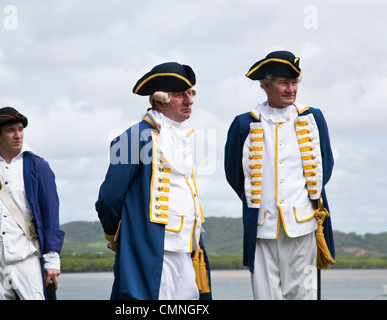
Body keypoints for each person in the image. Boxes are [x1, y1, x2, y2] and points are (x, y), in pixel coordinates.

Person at [96, 62, 212, 300]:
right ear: (160, 100)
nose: (189, 101)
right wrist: (116, 235)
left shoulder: (183, 137)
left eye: (190, 94)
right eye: (180, 96)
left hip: (187, 248)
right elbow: (109, 199)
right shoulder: (131, 139)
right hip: (152, 248)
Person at [224, 51, 335, 299]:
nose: (291, 89)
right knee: (265, 295)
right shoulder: (244, 124)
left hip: (303, 224)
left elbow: (324, 166)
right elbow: (234, 174)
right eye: (283, 83)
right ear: (265, 84)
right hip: (263, 225)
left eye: (295, 83)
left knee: (303, 293)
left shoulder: (312, 117)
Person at [0, 107, 65, 300]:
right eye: (11, 130)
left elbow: (50, 215)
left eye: (20, 129)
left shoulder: (39, 167)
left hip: (26, 258)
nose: (17, 135)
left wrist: (52, 258)